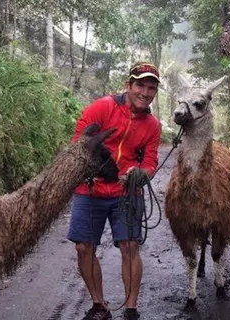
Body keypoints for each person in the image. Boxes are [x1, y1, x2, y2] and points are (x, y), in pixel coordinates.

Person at [66, 62, 162, 320]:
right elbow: (79, 143)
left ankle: (131, 309)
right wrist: (94, 168)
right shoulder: (103, 107)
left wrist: (142, 174)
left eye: (151, 88)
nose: (145, 92)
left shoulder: (152, 125)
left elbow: (151, 161)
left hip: (126, 193)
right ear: (128, 85)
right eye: (140, 85)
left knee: (130, 247)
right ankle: (99, 305)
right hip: (90, 189)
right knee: (84, 248)